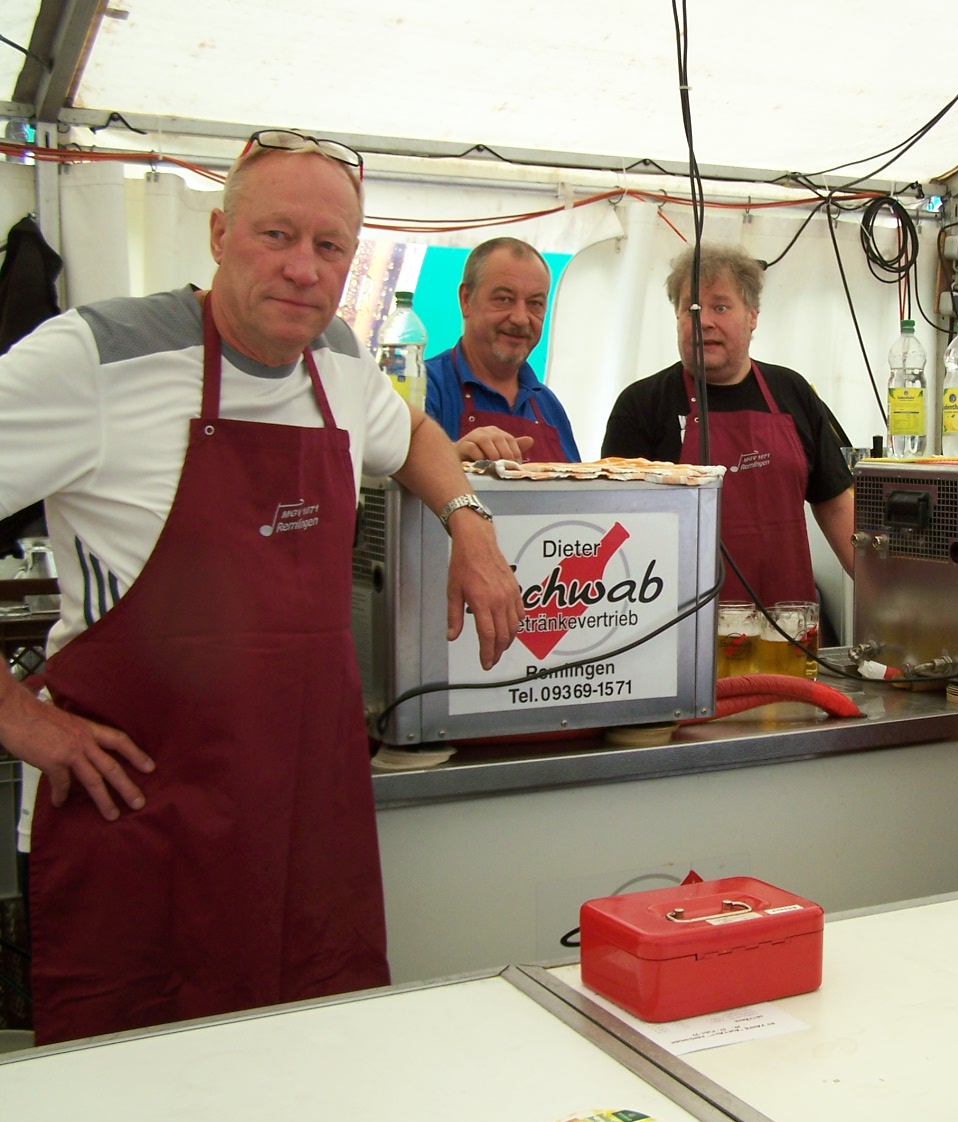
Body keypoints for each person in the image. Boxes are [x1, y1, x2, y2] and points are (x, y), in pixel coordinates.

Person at [0, 130, 523, 1045]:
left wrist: (470, 525)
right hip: (139, 825)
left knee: (307, 1067)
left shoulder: (342, 361)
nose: (302, 269)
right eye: (275, 235)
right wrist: (20, 720)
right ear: (217, 233)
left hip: (302, 825)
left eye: (329, 246)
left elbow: (414, 437)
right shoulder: (95, 356)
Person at [601, 243, 854, 606]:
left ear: (752, 316)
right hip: (681, 623)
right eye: (691, 308)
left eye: (720, 307)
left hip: (786, 622)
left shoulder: (791, 391)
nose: (703, 321)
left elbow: (836, 505)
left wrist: (884, 595)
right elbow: (616, 529)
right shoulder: (641, 405)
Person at [423, 236, 580, 463]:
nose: (520, 318)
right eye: (504, 299)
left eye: (535, 303)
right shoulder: (424, 387)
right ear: (466, 300)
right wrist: (453, 455)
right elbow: (390, 472)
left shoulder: (548, 404)